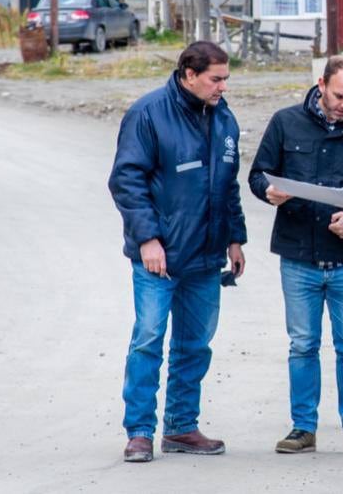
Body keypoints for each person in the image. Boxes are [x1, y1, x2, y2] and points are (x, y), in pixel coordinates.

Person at [248, 56, 343, 458]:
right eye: (339, 95)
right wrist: (269, 192)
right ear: (321, 84)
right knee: (302, 345)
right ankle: (303, 427)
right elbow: (258, 175)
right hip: (298, 256)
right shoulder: (285, 122)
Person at [108, 41, 247, 463]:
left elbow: (228, 185)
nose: (223, 86)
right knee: (149, 340)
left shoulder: (224, 118)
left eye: (225, 78)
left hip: (206, 255)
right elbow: (126, 181)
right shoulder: (148, 114)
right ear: (189, 74)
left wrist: (235, 238)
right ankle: (140, 431)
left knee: (195, 344)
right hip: (160, 257)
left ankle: (182, 427)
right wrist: (148, 239)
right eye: (215, 78)